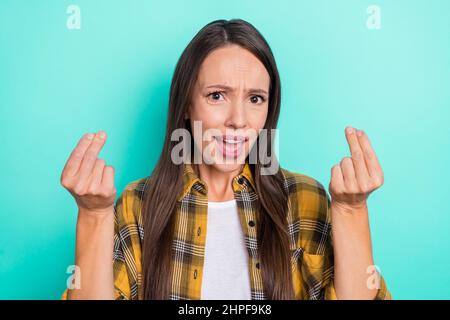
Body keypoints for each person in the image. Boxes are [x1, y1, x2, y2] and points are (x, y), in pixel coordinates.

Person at [60, 19, 391, 300]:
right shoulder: (138, 205)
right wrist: (93, 215)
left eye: (255, 98)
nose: (238, 119)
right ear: (187, 104)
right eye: (217, 95)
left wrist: (351, 211)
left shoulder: (304, 199)